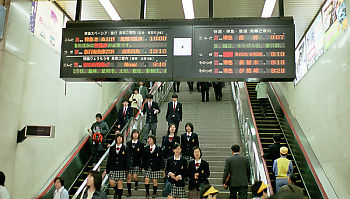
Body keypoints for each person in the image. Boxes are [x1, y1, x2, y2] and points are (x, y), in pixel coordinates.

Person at [106, 133, 130, 199]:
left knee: (120, 184)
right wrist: (107, 169)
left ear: (122, 139)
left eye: (121, 137)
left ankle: (119, 197)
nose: (119, 139)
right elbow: (109, 159)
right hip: (113, 168)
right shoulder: (112, 148)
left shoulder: (125, 148)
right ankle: (116, 191)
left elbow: (127, 159)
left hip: (121, 168)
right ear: (116, 138)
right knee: (112, 182)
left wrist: (127, 169)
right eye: (118, 137)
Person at [126, 129, 144, 197]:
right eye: (134, 133)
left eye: (137, 133)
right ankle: (129, 191)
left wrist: (141, 165)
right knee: (129, 177)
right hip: (129, 163)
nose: (135, 135)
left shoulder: (141, 144)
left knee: (135, 176)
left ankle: (136, 183)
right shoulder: (128, 143)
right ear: (132, 134)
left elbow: (142, 155)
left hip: (137, 163)